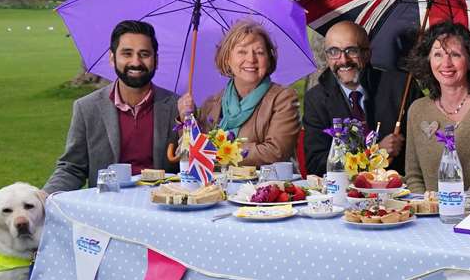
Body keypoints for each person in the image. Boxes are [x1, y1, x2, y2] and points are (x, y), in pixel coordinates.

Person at [45, 20, 179, 192]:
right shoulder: (87, 108)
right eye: (127, 53)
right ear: (112, 58)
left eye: (144, 54)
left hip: (161, 210)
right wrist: (44, 196)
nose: (136, 62)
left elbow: (191, 169)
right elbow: (72, 168)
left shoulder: (177, 107)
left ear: (156, 60)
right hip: (107, 211)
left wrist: (188, 125)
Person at [403, 21, 470, 194]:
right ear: (428, 60)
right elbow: (413, 175)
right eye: (438, 54)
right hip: (429, 217)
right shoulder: (417, 110)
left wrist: (457, 209)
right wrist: (426, 208)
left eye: (455, 55)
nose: (446, 63)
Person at [178, 20, 300, 167]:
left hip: (264, 186)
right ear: (227, 58)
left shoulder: (283, 99)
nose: (251, 59)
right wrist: (186, 118)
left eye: (259, 52)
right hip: (217, 186)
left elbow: (276, 152)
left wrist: (220, 151)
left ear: (269, 60)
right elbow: (193, 154)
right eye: (242, 51)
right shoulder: (212, 104)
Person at [302, 20, 402, 175]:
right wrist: (373, 154)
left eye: (351, 51)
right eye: (334, 52)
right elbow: (316, 163)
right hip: (345, 193)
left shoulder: (400, 88)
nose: (343, 60)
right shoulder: (316, 99)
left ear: (367, 53)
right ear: (327, 57)